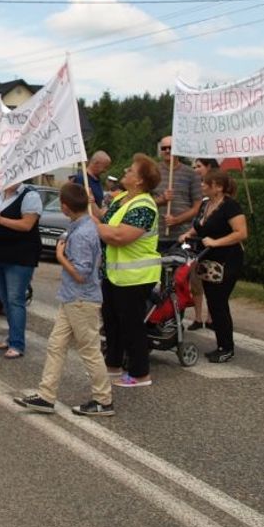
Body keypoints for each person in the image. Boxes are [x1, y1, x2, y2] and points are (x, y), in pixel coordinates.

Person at [14, 183, 113, 416]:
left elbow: (81, 273)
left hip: (81, 299)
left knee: (89, 350)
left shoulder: (83, 233)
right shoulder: (81, 226)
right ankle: (46, 396)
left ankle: (103, 400)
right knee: (55, 345)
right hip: (72, 299)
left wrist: (60, 256)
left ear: (65, 207)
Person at [93, 154, 160, 387]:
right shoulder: (122, 198)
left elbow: (121, 236)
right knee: (111, 321)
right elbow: (105, 219)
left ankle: (140, 373)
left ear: (140, 180)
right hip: (114, 274)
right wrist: (90, 205)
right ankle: (113, 365)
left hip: (135, 276)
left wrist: (96, 226)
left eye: (131, 171)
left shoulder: (144, 205)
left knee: (131, 325)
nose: (125, 172)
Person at [179, 169, 248, 363]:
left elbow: (241, 233)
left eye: (204, 183)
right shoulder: (206, 204)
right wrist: (189, 234)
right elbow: (201, 225)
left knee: (219, 302)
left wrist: (216, 242)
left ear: (217, 187)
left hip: (227, 259)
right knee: (213, 300)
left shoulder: (230, 206)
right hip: (207, 259)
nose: (201, 186)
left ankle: (226, 347)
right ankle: (221, 344)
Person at [0, 181, 43, 358]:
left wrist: (0, 220)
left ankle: (17, 343)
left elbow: (27, 225)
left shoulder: (30, 195)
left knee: (15, 299)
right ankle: (12, 336)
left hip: (20, 255)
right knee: (4, 298)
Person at [184, 157, 221, 331]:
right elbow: (197, 222)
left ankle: (212, 317)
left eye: (198, 166)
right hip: (197, 247)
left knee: (213, 285)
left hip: (214, 249)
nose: (195, 169)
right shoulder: (204, 201)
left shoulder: (223, 201)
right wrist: (188, 233)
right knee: (195, 281)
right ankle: (198, 317)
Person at [152, 136, 202, 253]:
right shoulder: (153, 172)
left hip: (182, 235)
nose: (168, 151)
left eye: (171, 147)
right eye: (164, 148)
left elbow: (197, 207)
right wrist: (162, 199)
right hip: (156, 234)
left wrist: (177, 220)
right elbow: (144, 201)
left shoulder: (191, 174)